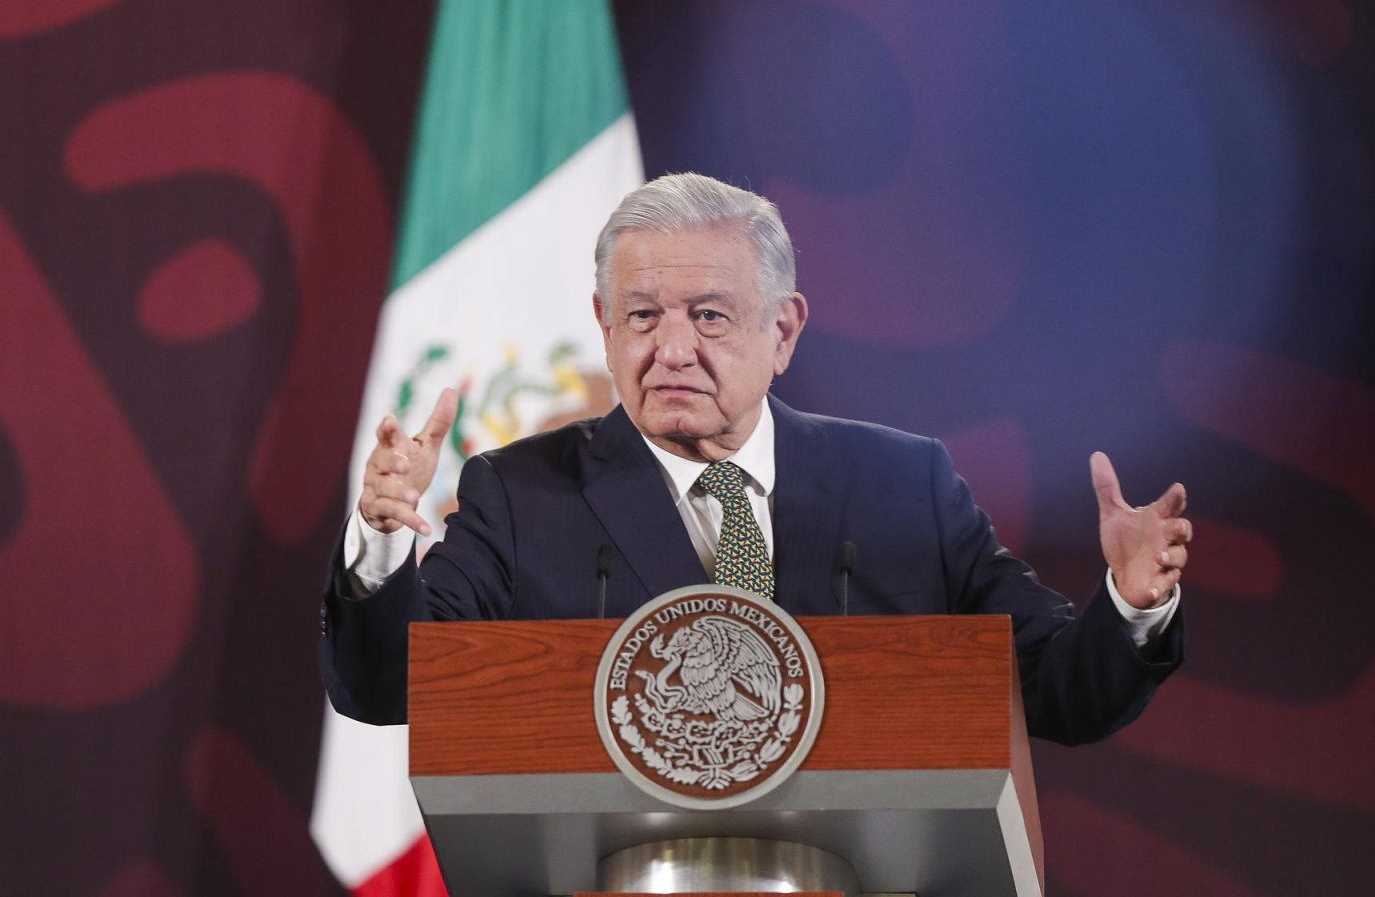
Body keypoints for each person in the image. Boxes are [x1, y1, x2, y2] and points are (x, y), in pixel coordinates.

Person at [320, 173, 1190, 742]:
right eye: (642, 316)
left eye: (708, 316)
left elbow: (1060, 693)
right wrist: (384, 541)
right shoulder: (520, 493)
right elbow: (389, 691)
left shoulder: (900, 487)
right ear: (603, 326)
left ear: (783, 330)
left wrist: (1132, 603)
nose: (671, 350)